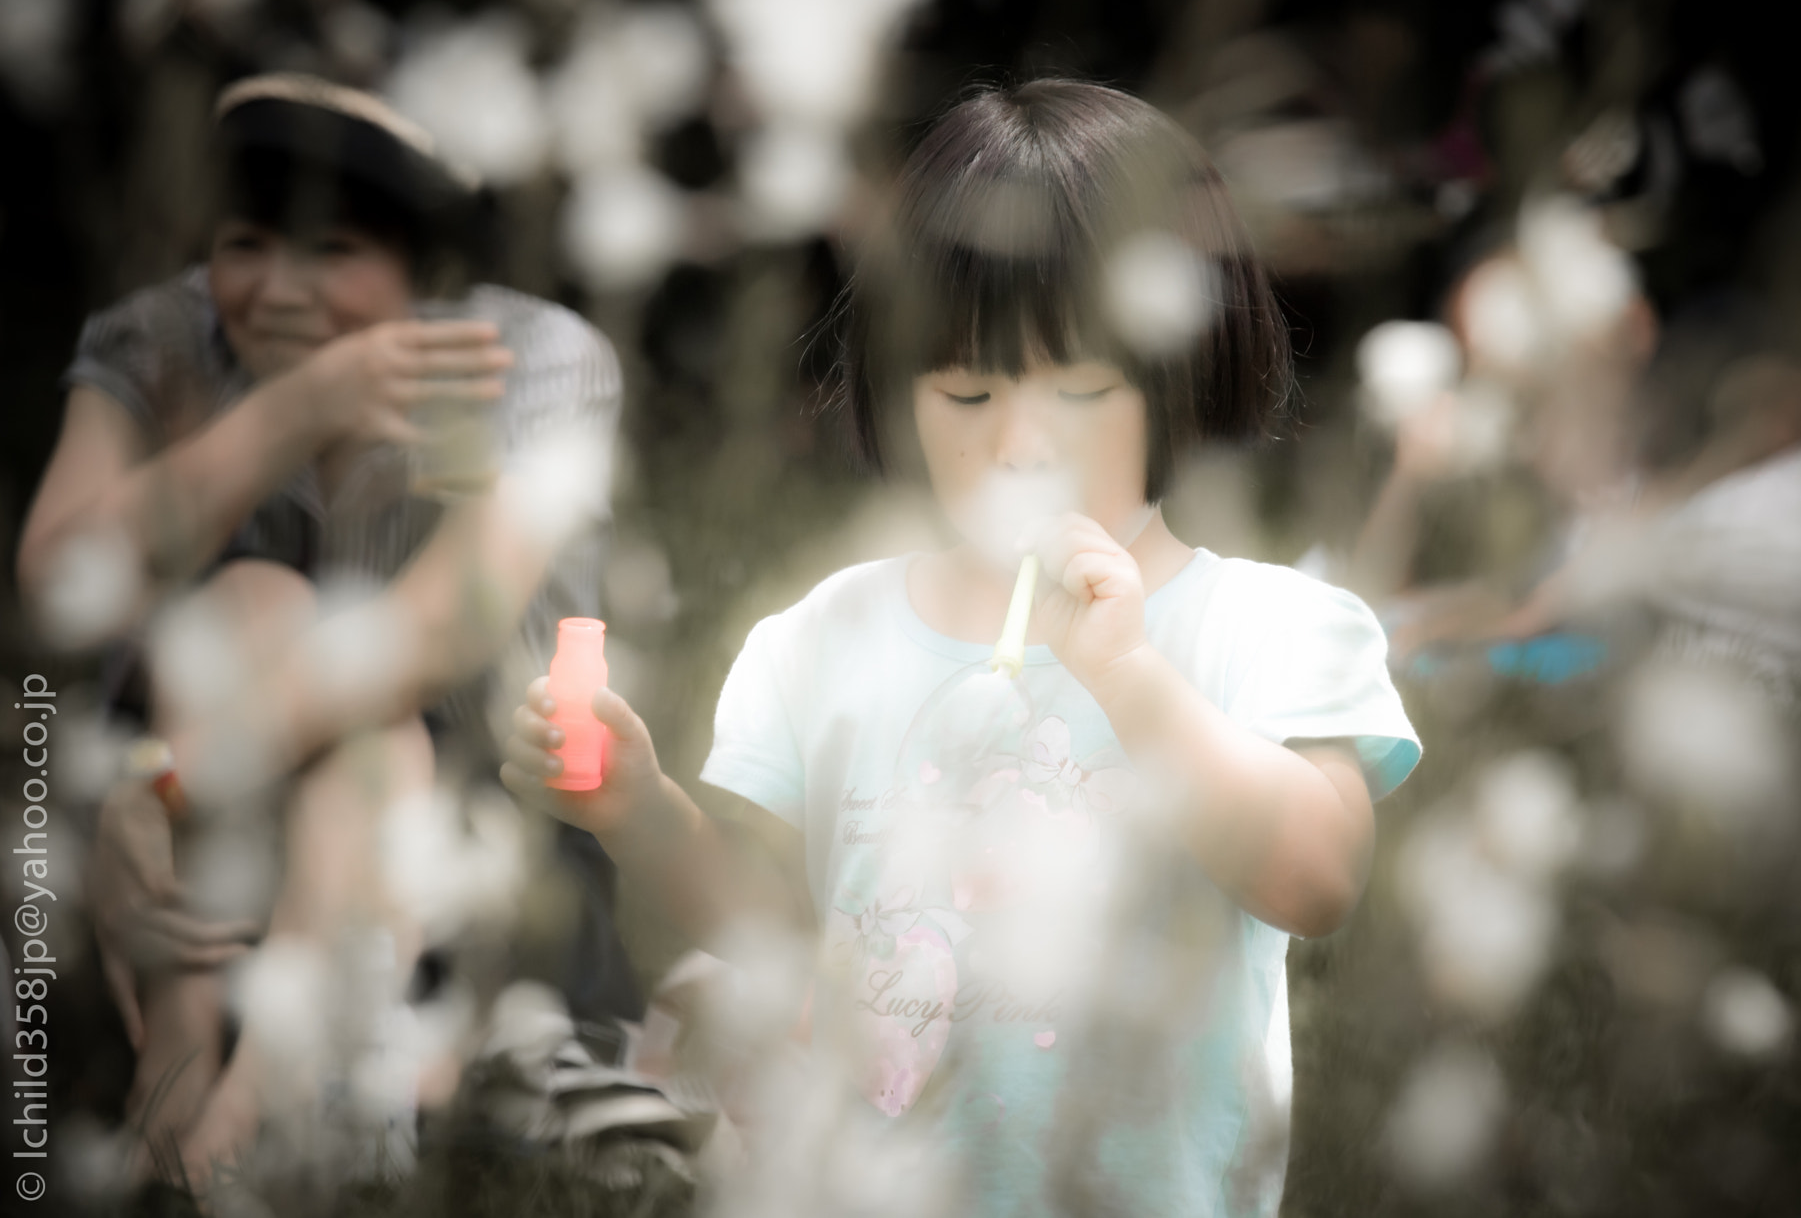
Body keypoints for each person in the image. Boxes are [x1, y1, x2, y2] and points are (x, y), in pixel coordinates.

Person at [502, 80, 1421, 1217]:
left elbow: (1316, 877)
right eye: (967, 389)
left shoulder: (1264, 626)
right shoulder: (825, 637)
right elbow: (780, 929)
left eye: (1080, 390)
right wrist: (637, 810)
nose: (1019, 438)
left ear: (1184, 374)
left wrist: (1129, 679)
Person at [16, 74, 628, 1185]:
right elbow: (63, 581)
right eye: (247, 245)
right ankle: (189, 1079)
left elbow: (440, 628)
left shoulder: (530, 357)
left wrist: (156, 781)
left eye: (333, 251)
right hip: (209, 840)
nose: (280, 291)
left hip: (471, 832)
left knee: (365, 719)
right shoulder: (162, 336)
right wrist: (294, 410)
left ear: (424, 276)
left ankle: (268, 1101)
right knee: (257, 602)